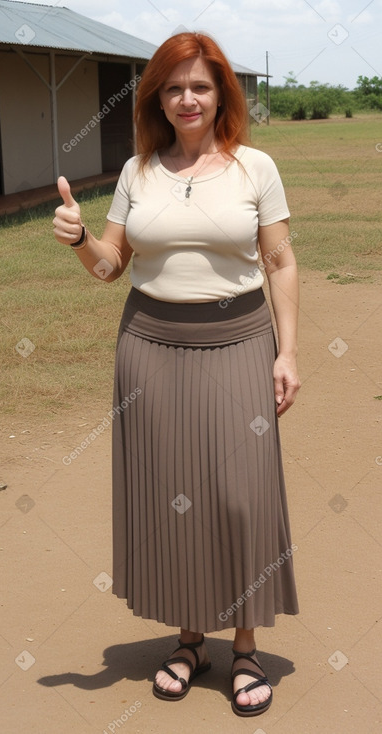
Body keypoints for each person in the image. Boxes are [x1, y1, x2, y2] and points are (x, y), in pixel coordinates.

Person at [53, 31, 300, 718]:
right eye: (172, 87)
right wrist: (81, 240)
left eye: (199, 85)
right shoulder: (138, 174)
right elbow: (111, 269)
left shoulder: (255, 168)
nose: (186, 97)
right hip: (150, 347)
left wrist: (287, 352)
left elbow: (279, 263)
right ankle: (190, 639)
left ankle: (244, 645)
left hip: (239, 342)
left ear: (221, 91)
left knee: (239, 494)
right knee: (174, 495)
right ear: (156, 99)